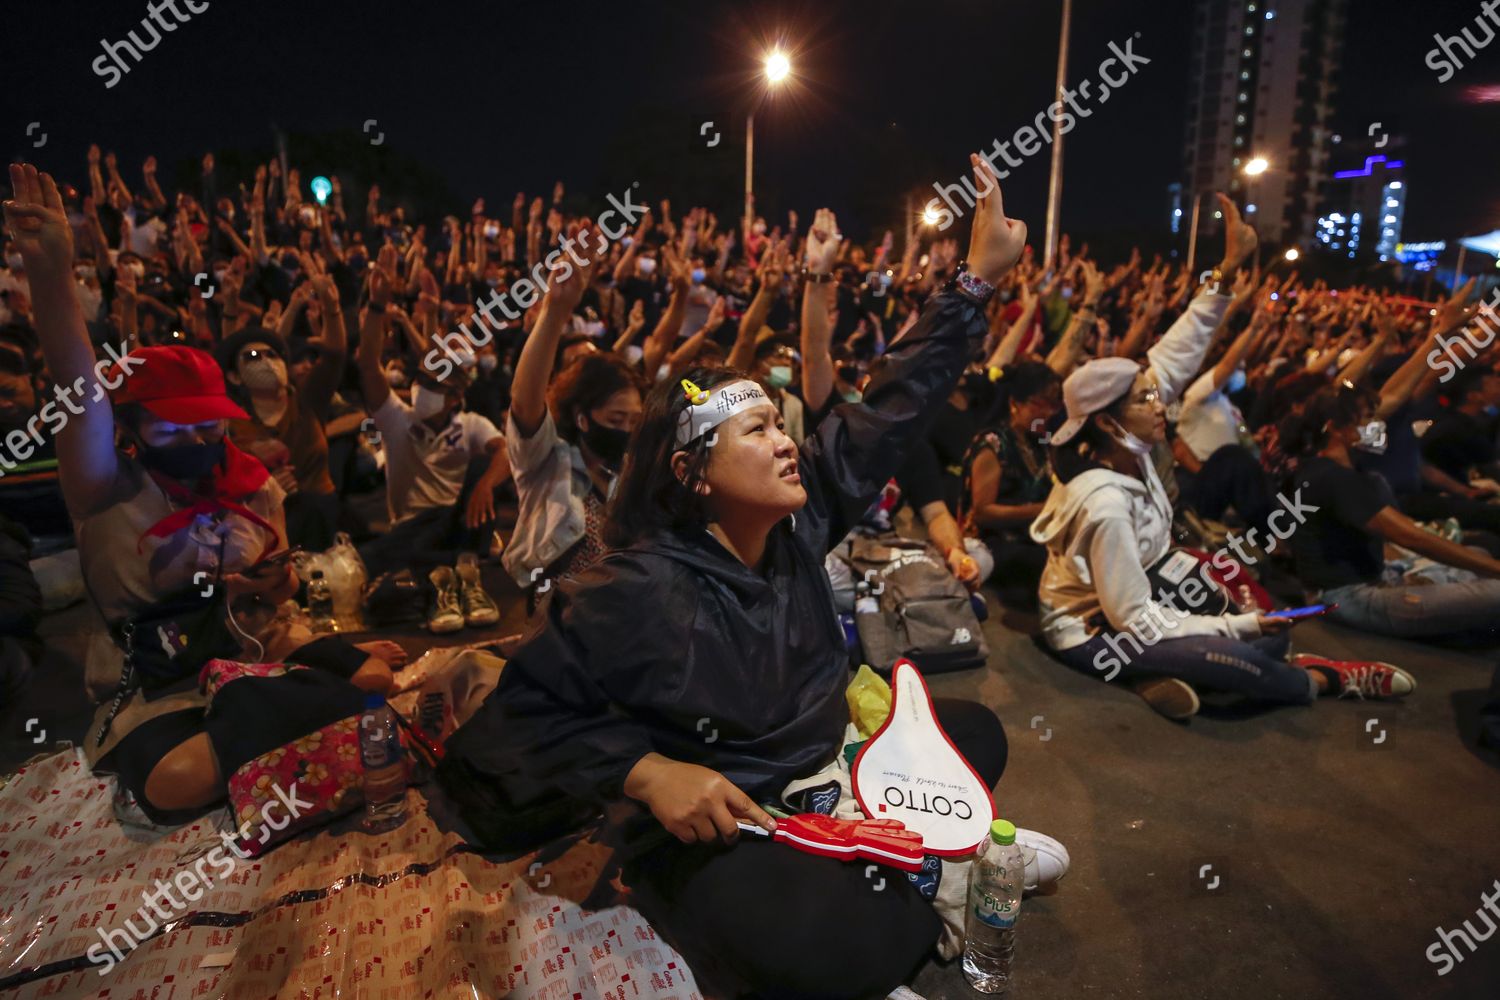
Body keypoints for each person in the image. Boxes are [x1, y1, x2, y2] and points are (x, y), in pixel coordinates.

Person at [442, 163, 1063, 1000]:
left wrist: (974, 282)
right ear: (694, 473)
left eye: (782, 423)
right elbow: (510, 728)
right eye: (758, 428)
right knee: (805, 946)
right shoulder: (633, 588)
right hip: (732, 820)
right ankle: (929, 876)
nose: (784, 441)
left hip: (831, 771)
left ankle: (889, 876)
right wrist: (647, 773)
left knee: (978, 731)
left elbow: (887, 407)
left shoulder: (801, 524)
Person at [3, 164, 404, 824]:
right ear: (129, 429)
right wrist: (51, 276)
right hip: (161, 683)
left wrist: (268, 586)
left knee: (376, 682)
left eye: (207, 419)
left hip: (257, 650)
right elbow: (79, 395)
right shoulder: (105, 488)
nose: (196, 434)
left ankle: (285, 712)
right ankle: (300, 716)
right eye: (173, 421)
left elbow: (278, 602)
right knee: (176, 783)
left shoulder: (256, 486)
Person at [1031, 195, 1413, 720]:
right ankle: (1322, 680)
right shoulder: (1103, 503)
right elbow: (1133, 618)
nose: (1158, 401)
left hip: (1145, 591)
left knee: (1268, 638)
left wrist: (1229, 271)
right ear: (1105, 420)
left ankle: (1171, 673)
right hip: (1095, 628)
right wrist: (1237, 628)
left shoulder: (1126, 439)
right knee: (1245, 656)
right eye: (1145, 398)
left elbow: (1177, 352)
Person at [1278, 380, 1500, 640]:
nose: (1376, 426)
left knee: (1477, 553)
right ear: (1336, 429)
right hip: (1350, 599)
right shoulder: (1333, 477)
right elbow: (1412, 538)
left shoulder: (1326, 466)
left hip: (1364, 584)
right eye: (1367, 420)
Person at [353, 265, 507, 631]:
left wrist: (486, 484)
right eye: (421, 382)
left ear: (455, 398)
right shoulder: (398, 419)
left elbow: (506, 452)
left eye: (434, 387)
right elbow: (368, 368)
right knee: (390, 551)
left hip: (456, 519)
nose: (422, 391)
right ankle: (455, 577)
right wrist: (376, 307)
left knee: (479, 470)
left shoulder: (470, 424)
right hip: (411, 527)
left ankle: (457, 577)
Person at [501, 228, 647, 611]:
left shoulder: (629, 474)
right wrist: (554, 312)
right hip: (561, 630)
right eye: (616, 419)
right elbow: (524, 400)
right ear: (583, 418)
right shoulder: (547, 463)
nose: (626, 431)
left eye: (634, 421)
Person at [217, 266, 346, 551]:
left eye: (272, 355)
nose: (265, 361)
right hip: (259, 529)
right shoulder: (234, 421)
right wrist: (265, 488)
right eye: (252, 357)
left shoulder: (307, 399)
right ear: (235, 376)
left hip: (316, 521)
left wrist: (332, 307)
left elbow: (335, 356)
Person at [961, 360, 1061, 607]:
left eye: (1054, 404)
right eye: (1040, 403)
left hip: (1032, 536)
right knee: (1049, 564)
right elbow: (983, 513)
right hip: (992, 542)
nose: (1048, 412)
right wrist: (1043, 509)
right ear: (1015, 403)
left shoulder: (1042, 441)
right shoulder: (993, 443)